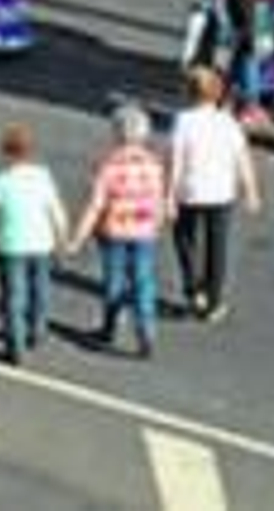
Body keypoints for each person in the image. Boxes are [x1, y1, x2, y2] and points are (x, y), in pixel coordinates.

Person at [68, 103, 168, 357]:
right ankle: (146, 329)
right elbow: (158, 199)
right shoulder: (153, 164)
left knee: (114, 279)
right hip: (144, 229)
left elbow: (95, 204)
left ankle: (110, 326)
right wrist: (157, 223)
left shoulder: (110, 165)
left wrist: (77, 238)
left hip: (115, 230)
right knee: (144, 280)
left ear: (117, 133)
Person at [168, 66, 261, 322]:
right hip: (221, 193)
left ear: (189, 93)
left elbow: (176, 161)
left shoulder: (183, 121)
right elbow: (242, 159)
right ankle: (214, 300)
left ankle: (194, 288)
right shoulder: (229, 122)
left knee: (185, 239)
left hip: (190, 191)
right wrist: (251, 190)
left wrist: (169, 196)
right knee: (217, 246)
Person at [0, 123, 69, 364]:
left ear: (5, 152)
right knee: (40, 289)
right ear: (31, 151)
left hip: (11, 245)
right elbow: (56, 211)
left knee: (14, 295)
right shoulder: (43, 176)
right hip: (41, 242)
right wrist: (62, 239)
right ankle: (37, 329)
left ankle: (16, 343)